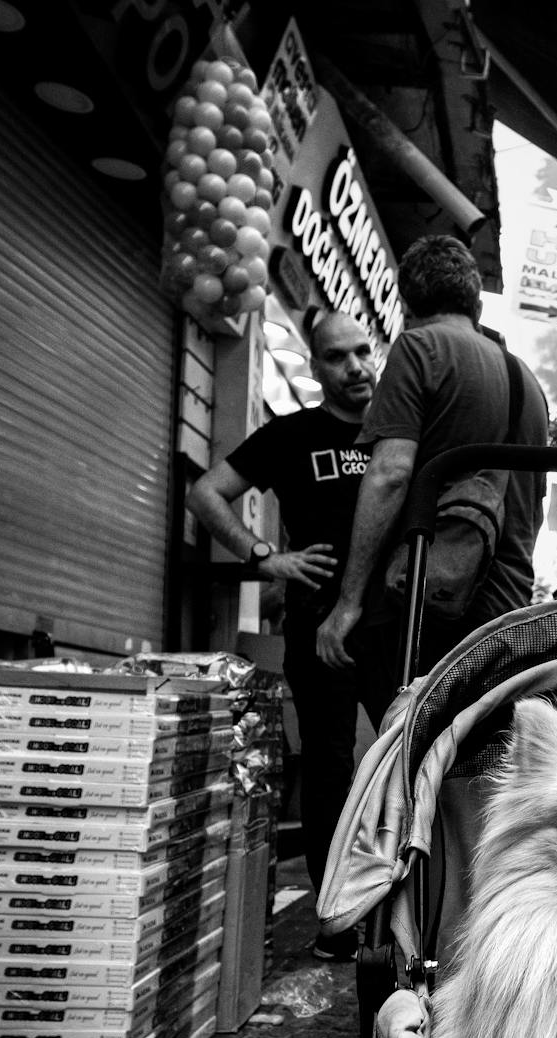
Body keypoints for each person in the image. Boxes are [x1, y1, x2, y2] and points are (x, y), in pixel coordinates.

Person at [185, 311, 377, 961]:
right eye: (336, 357)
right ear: (316, 367)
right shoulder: (292, 435)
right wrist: (264, 556)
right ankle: (336, 920)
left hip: (394, 624)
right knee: (329, 772)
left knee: (413, 765)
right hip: (319, 628)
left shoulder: (398, 435)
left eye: (361, 352)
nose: (354, 367)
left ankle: (412, 912)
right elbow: (208, 493)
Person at [315, 236, 549, 715]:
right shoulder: (528, 381)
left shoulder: (419, 348)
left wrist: (348, 603)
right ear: (477, 301)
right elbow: (533, 509)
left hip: (423, 609)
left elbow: (390, 474)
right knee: (473, 764)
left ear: (406, 304)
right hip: (505, 611)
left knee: (408, 762)